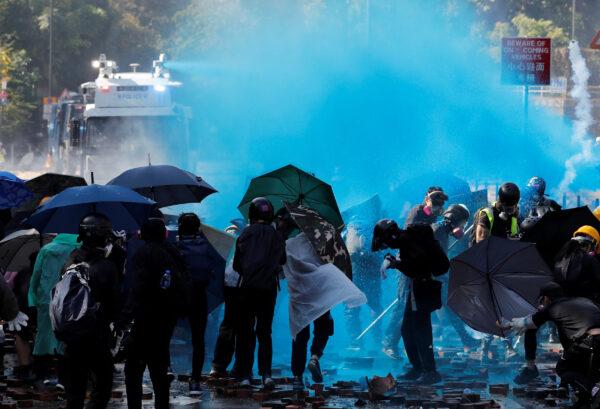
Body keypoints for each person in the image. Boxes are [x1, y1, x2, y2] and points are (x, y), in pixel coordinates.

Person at [120, 217, 188, 409]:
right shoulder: (172, 252)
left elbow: (138, 288)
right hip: (166, 320)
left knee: (133, 369)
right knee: (159, 370)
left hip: (145, 319)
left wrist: (125, 317)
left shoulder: (143, 254)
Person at [374, 219, 450, 384]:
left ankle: (430, 371)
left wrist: (396, 264)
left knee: (421, 331)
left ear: (392, 236)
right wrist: (393, 260)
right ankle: (418, 368)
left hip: (422, 288)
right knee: (407, 329)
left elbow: (417, 268)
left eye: (387, 241)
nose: (388, 245)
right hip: (418, 288)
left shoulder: (409, 241)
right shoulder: (408, 239)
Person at [501, 282, 600, 407]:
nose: (541, 304)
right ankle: (585, 400)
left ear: (546, 298)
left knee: (564, 369)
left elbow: (525, 324)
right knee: (586, 372)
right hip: (590, 343)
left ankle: (594, 392)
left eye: (541, 301)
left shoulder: (553, 307)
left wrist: (507, 324)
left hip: (589, 343)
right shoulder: (585, 301)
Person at [61, 213, 121, 409]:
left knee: (74, 392)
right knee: (102, 388)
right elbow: (113, 307)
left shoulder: (70, 262)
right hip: (97, 337)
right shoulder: (107, 267)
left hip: (71, 337)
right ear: (104, 238)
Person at [381, 187, 448, 360]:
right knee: (403, 303)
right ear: (426, 200)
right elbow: (411, 237)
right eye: (435, 203)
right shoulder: (416, 213)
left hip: (420, 265)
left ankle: (411, 351)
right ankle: (389, 343)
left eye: (440, 204)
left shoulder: (436, 215)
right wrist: (433, 228)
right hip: (406, 262)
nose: (438, 207)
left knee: (414, 307)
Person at [234, 197, 286, 389]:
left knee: (246, 332)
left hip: (247, 288)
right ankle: (266, 375)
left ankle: (245, 375)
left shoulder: (245, 234)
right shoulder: (276, 236)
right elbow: (282, 260)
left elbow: (237, 265)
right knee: (265, 332)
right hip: (269, 289)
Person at [175, 213, 224, 396]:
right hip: (200, 298)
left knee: (164, 334)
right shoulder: (207, 247)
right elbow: (217, 268)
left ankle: (166, 369)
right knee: (198, 341)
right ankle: (195, 380)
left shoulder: (175, 247)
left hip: (178, 298)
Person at [474, 182, 520, 360]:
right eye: (508, 206)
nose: (510, 209)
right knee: (492, 308)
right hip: (486, 267)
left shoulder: (514, 214)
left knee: (502, 308)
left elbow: (514, 238)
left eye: (513, 206)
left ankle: (487, 347)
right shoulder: (487, 214)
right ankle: (500, 346)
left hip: (503, 267)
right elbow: (480, 243)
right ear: (500, 201)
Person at [28, 233, 80, 383]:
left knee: (43, 337)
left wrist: (32, 301)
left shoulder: (46, 250)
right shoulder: (80, 249)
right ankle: (65, 380)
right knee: (66, 340)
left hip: (46, 299)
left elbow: (36, 277)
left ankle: (40, 376)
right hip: (70, 300)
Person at [432, 204, 479, 350]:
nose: (463, 227)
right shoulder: (437, 230)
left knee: (450, 306)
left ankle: (466, 339)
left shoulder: (442, 230)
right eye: (462, 223)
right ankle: (393, 342)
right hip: (429, 277)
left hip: (437, 275)